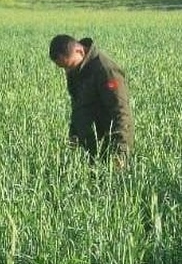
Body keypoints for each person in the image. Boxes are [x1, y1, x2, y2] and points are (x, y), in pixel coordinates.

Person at [49, 34, 133, 165]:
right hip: (89, 147)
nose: (67, 71)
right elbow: (78, 105)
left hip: (108, 147)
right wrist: (74, 134)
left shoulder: (106, 71)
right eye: (63, 68)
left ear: (80, 51)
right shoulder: (76, 68)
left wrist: (120, 153)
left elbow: (121, 112)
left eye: (69, 66)